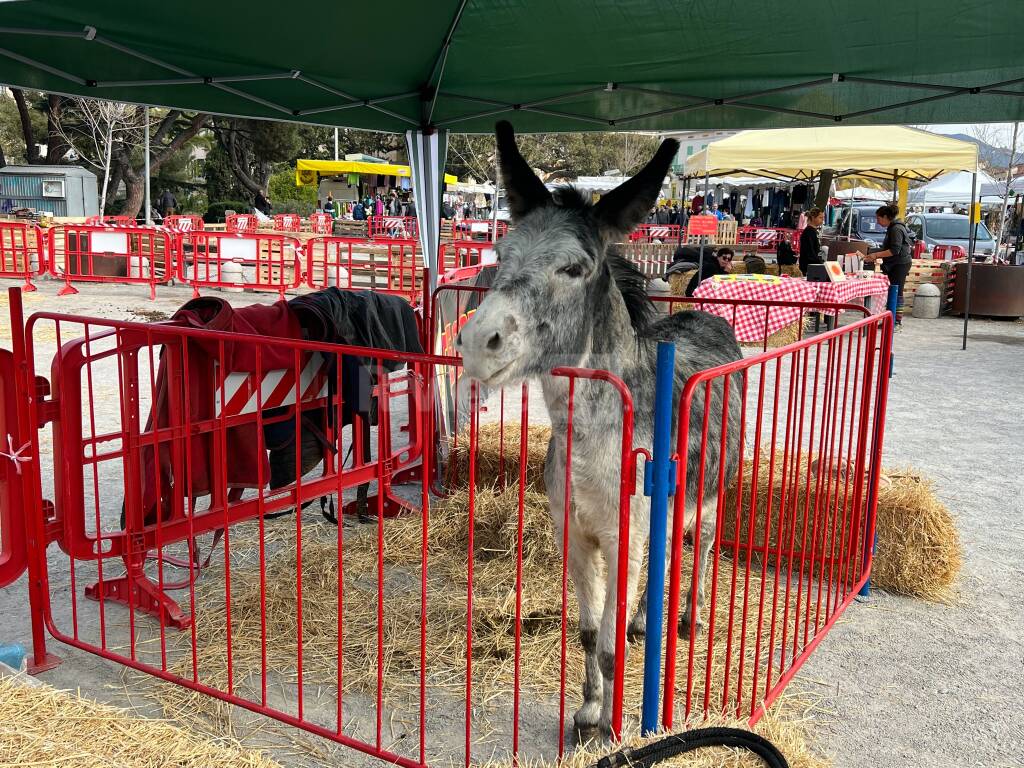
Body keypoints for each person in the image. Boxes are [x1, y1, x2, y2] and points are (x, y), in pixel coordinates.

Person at [864, 204, 913, 327]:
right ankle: (891, 320)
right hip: (896, 263)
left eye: (878, 218)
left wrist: (876, 255)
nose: (877, 221)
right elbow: (889, 248)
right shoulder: (893, 228)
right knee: (894, 291)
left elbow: (894, 250)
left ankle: (896, 321)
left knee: (897, 292)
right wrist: (873, 253)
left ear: (886, 217)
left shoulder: (896, 229)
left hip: (900, 264)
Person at [798, 207, 826, 275]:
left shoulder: (814, 231)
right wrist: (820, 263)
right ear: (813, 217)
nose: (822, 220)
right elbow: (809, 253)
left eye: (823, 217)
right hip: (808, 267)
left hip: (814, 266)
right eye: (820, 217)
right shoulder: (808, 232)